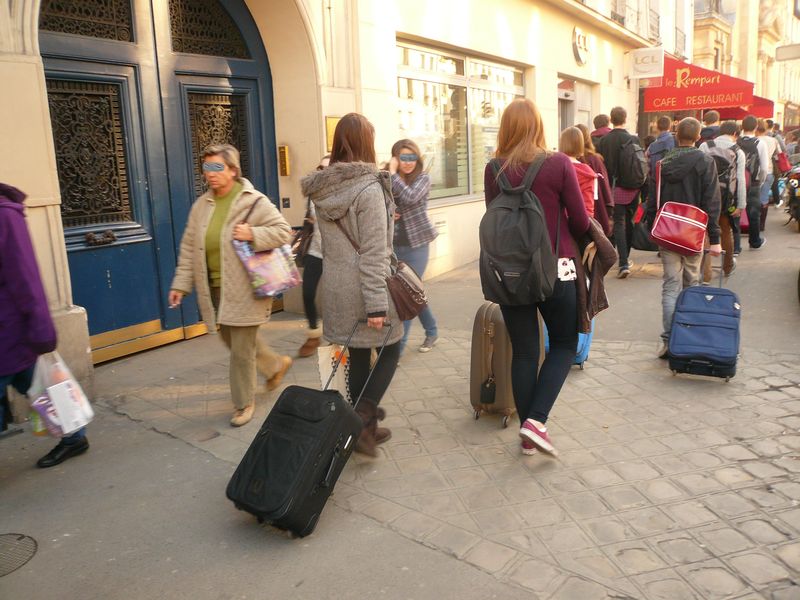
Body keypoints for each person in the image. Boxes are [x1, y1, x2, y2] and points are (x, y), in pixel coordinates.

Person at [483, 98, 590, 457]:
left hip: (511, 273)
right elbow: (578, 218)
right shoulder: (558, 163)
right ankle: (536, 422)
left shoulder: (493, 168)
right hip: (558, 268)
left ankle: (529, 432)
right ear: (538, 126)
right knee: (563, 344)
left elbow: (494, 219)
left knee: (525, 352)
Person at [301, 113, 403, 456]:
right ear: (366, 144)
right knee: (392, 347)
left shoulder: (323, 188)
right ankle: (360, 418)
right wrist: (376, 304)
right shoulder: (369, 188)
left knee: (359, 354)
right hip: (365, 288)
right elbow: (374, 252)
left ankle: (367, 431)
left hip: (335, 287)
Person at [169, 144, 293, 427]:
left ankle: (243, 403)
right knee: (230, 338)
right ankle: (275, 365)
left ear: (233, 170)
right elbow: (189, 247)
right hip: (214, 288)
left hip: (246, 288)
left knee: (240, 350)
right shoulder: (202, 206)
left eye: (217, 167)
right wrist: (181, 284)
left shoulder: (253, 201)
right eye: (207, 168)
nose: (210, 174)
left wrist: (253, 233)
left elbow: (283, 232)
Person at [0, 182, 89, 467]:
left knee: (44, 387)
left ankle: (75, 437)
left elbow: (26, 276)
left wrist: (41, 329)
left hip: (10, 331)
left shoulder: (5, 215)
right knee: (41, 387)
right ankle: (75, 437)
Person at [646, 118, 722, 359]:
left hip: (667, 231)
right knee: (692, 284)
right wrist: (715, 237)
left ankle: (668, 340)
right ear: (699, 137)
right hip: (693, 232)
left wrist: (652, 227)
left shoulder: (662, 162)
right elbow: (711, 201)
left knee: (670, 286)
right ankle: (688, 339)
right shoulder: (705, 161)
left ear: (676, 135)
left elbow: (652, 199)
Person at [388, 139, 439, 354]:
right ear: (395, 159)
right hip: (394, 246)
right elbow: (380, 202)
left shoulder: (423, 178)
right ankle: (432, 330)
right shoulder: (387, 179)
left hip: (418, 246)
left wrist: (392, 175)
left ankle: (396, 350)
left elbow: (410, 197)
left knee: (407, 294)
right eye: (402, 158)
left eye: (411, 157)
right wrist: (389, 211)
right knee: (413, 291)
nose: (408, 162)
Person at [596, 106, 641, 278]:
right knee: (629, 222)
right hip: (633, 187)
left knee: (619, 223)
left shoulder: (604, 141)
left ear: (611, 119)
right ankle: (625, 257)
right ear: (625, 118)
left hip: (614, 188)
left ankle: (622, 263)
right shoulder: (634, 139)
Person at [699, 120, 747, 278]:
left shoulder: (705, 146)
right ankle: (727, 267)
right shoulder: (738, 151)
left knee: (705, 233)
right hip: (727, 200)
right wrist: (741, 204)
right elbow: (740, 180)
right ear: (734, 134)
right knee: (726, 231)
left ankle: (706, 274)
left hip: (705, 197)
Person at [297, 154, 330, 358]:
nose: (323, 171)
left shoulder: (341, 194)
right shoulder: (313, 193)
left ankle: (341, 336)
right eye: (320, 168)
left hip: (337, 255)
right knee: (307, 293)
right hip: (315, 251)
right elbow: (310, 220)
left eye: (328, 168)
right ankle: (313, 334)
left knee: (337, 298)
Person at [737, 115, 770, 249]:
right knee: (754, 213)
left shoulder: (736, 141)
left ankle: (735, 245)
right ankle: (754, 241)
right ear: (756, 127)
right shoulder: (760, 143)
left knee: (735, 212)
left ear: (742, 127)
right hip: (753, 182)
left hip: (737, 181)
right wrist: (760, 181)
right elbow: (764, 167)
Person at [575, 123, 613, 235]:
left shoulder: (564, 161)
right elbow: (604, 186)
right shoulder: (595, 159)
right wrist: (609, 208)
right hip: (595, 207)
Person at [559, 127, 598, 218]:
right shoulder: (588, 173)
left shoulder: (554, 168)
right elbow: (588, 207)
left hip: (556, 223)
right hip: (578, 223)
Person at [646, 116, 676, 205]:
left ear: (657, 127)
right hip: (673, 185)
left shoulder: (651, 146)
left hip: (656, 184)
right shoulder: (676, 141)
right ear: (669, 127)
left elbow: (648, 166)